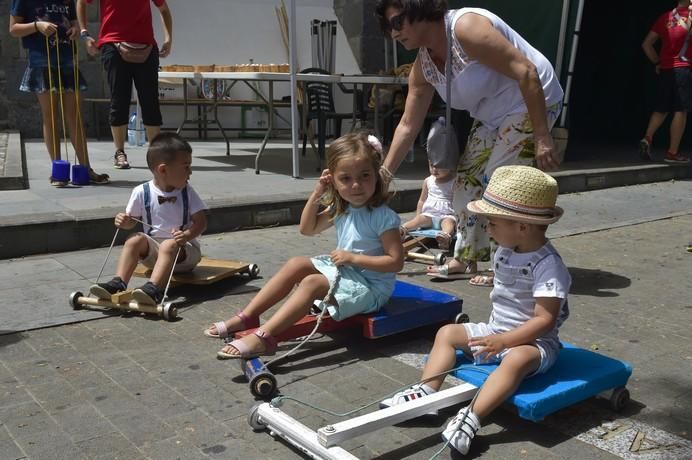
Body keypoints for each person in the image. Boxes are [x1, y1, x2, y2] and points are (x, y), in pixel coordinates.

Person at [380, 165, 571, 455]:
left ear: (522, 226)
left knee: (517, 359)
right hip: (497, 331)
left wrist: (506, 342)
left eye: (493, 222)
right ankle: (427, 393)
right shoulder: (508, 249)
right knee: (447, 332)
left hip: (534, 343)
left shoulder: (548, 265)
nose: (488, 228)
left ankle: (471, 417)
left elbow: (545, 321)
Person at [375, 0, 564, 286]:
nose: (393, 33)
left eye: (397, 22)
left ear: (419, 10)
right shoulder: (423, 66)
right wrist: (384, 176)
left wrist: (542, 136)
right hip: (493, 114)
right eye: (388, 27)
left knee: (500, 184)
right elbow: (408, 125)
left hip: (533, 99)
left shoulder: (466, 28)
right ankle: (466, 256)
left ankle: (506, 261)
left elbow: (526, 71)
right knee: (465, 185)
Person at [205, 132, 404, 359]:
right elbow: (307, 229)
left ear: (376, 176)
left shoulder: (382, 216)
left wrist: (353, 258)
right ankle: (247, 317)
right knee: (295, 264)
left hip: (371, 288)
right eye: (346, 178)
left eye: (365, 176)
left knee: (311, 282)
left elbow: (395, 262)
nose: (356, 185)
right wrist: (318, 192)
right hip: (348, 272)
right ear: (334, 180)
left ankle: (264, 337)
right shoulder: (344, 207)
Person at [90, 133, 207, 305]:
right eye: (186, 166)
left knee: (168, 244)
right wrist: (124, 221)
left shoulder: (187, 192)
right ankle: (118, 282)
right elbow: (132, 222)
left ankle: (154, 289)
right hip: (154, 253)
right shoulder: (141, 192)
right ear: (163, 170)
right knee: (133, 239)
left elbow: (201, 222)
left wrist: (187, 235)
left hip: (184, 253)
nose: (190, 171)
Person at [9, 0, 109, 186]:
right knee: (51, 116)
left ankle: (86, 168)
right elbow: (13, 28)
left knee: (74, 116)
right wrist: (37, 26)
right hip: (41, 60)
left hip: (67, 59)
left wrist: (75, 28)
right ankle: (57, 170)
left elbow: (72, 21)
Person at [76, 0, 173, 169]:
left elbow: (163, 9)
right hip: (113, 44)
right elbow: (81, 2)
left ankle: (155, 154)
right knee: (119, 99)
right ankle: (119, 152)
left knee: (150, 101)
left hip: (146, 47)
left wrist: (168, 39)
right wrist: (85, 33)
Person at [639, 0, 692, 165]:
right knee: (680, 111)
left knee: (661, 108)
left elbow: (646, 44)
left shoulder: (665, 17)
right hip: (684, 68)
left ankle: (647, 137)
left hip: (666, 69)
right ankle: (672, 152)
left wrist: (657, 62)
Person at [400, 117, 458, 250]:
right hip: (429, 215)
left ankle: (445, 236)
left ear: (450, 165)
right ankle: (403, 229)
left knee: (448, 223)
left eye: (439, 165)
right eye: (432, 165)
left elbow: (457, 201)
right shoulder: (428, 181)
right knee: (419, 220)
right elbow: (422, 200)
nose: (434, 169)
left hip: (446, 214)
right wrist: (418, 214)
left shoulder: (454, 181)